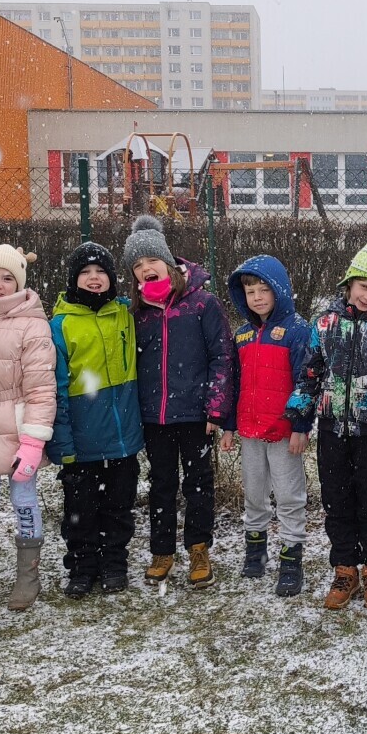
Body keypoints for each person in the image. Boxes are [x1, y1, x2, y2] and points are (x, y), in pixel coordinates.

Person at [292, 241, 367, 611]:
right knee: (337, 499)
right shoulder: (324, 323)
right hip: (331, 427)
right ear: (349, 282)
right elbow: (310, 372)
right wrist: (299, 417)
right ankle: (345, 567)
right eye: (363, 286)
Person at [122, 215, 235, 588]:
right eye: (138, 265)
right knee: (161, 484)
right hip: (154, 417)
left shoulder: (202, 303)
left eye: (151, 260)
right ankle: (162, 550)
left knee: (198, 483)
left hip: (195, 414)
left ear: (168, 261)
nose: (146, 268)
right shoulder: (136, 313)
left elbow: (222, 356)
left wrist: (216, 407)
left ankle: (199, 548)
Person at [0, 244, 57, 612]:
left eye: (7, 278)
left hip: (18, 428)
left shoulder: (32, 324)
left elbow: (41, 388)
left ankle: (27, 575)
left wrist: (33, 441)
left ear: (19, 283)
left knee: (24, 501)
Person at [48, 242, 143, 598]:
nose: (93, 278)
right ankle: (82, 565)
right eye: (85, 272)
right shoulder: (61, 325)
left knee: (119, 506)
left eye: (101, 271)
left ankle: (114, 563)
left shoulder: (125, 316)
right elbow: (57, 387)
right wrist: (63, 442)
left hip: (122, 438)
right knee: (80, 509)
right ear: (73, 279)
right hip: (82, 440)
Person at [222, 255, 314, 597]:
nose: (257, 297)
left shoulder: (297, 331)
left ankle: (291, 559)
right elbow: (234, 383)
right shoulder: (243, 335)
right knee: (254, 494)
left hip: (283, 433)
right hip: (250, 430)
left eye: (264, 290)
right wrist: (228, 426)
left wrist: (300, 425)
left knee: (289, 496)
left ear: (280, 290)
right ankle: (256, 551)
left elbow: (307, 381)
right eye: (250, 292)